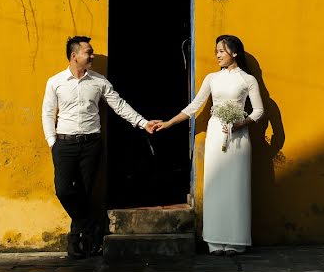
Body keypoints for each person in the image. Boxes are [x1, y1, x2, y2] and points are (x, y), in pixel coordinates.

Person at [42, 36, 161, 258]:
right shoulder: (55, 82)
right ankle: (90, 226)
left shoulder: (99, 81)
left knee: (86, 191)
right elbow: (48, 113)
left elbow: (120, 105)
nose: (92, 55)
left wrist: (143, 123)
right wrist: (52, 142)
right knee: (64, 190)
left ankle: (76, 242)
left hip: (91, 144)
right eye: (88, 52)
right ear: (74, 55)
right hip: (64, 143)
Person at [152, 35, 264, 255]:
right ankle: (214, 240)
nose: (217, 56)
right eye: (216, 52)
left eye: (221, 51)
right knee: (216, 185)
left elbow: (259, 111)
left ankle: (235, 241)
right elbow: (194, 106)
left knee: (236, 187)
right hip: (215, 134)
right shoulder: (212, 78)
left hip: (238, 139)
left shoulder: (247, 80)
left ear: (234, 52)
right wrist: (168, 123)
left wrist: (241, 123)